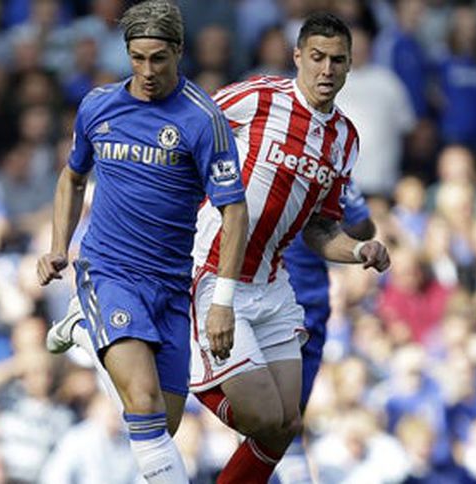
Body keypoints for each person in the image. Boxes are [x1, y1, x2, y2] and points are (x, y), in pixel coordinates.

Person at [37, 2, 249, 483]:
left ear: (179, 51)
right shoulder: (98, 106)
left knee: (161, 427)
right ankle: (89, 313)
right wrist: (58, 247)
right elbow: (72, 177)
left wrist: (223, 301)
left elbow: (234, 211)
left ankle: (86, 328)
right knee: (145, 403)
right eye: (137, 58)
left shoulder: (202, 119)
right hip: (109, 272)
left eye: (158, 58)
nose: (147, 71)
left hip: (170, 287)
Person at [189, 13, 391, 483]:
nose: (326, 69)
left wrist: (359, 252)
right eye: (317, 57)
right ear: (297, 56)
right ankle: (182, 370)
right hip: (215, 270)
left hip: (272, 281)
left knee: (286, 426)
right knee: (263, 418)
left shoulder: (344, 139)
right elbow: (190, 129)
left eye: (337, 60)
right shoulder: (259, 97)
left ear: (350, 65)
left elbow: (321, 230)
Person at [274, 180, 374, 482]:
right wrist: (323, 227)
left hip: (287, 300)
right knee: (278, 422)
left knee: (278, 423)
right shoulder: (329, 166)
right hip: (294, 300)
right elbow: (362, 225)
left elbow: (363, 226)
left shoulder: (245, 162)